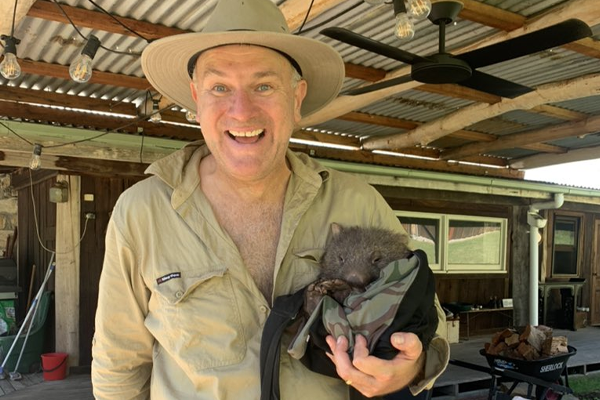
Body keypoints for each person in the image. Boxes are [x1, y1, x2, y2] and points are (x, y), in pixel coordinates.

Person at [91, 0, 449, 399]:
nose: (241, 112)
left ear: (296, 99)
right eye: (219, 87)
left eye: (263, 86)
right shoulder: (142, 212)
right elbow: (118, 363)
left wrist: (411, 366)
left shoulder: (357, 203)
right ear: (196, 98)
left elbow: (427, 318)